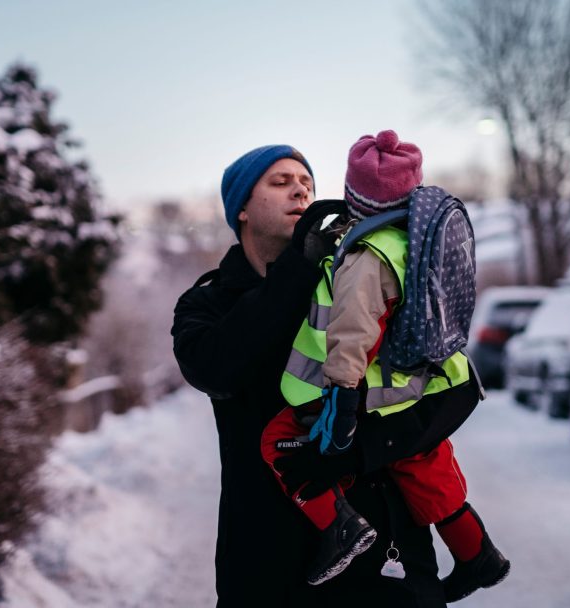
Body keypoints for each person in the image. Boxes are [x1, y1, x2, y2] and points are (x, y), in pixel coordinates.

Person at [172, 144, 482, 606]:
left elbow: (455, 395)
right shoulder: (207, 305)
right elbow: (220, 369)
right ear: (240, 210)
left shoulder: (362, 279)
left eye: (306, 183)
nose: (299, 190)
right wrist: (301, 264)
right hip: (267, 566)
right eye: (280, 182)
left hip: (388, 563)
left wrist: (357, 452)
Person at [258, 131, 510, 599]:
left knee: (278, 441)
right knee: (421, 461)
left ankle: (340, 530)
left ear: (354, 198)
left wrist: (340, 404)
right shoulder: (414, 240)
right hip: (428, 382)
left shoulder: (365, 255)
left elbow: (353, 335)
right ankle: (478, 555)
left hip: (369, 392)